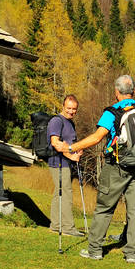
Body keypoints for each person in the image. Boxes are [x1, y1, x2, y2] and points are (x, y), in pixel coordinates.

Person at [81, 75, 135, 263]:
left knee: (105, 207)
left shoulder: (112, 112)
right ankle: (132, 254)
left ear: (116, 92)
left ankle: (95, 249)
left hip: (116, 167)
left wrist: (71, 148)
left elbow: (97, 137)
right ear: (133, 91)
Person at [41, 95, 89, 237]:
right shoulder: (56, 121)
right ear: (63, 106)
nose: (71, 111)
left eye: (74, 109)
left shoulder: (70, 122)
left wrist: (77, 149)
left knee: (59, 193)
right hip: (58, 162)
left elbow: (69, 143)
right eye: (68, 108)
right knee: (66, 193)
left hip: (66, 162)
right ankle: (68, 227)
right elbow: (56, 143)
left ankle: (55, 225)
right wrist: (71, 155)